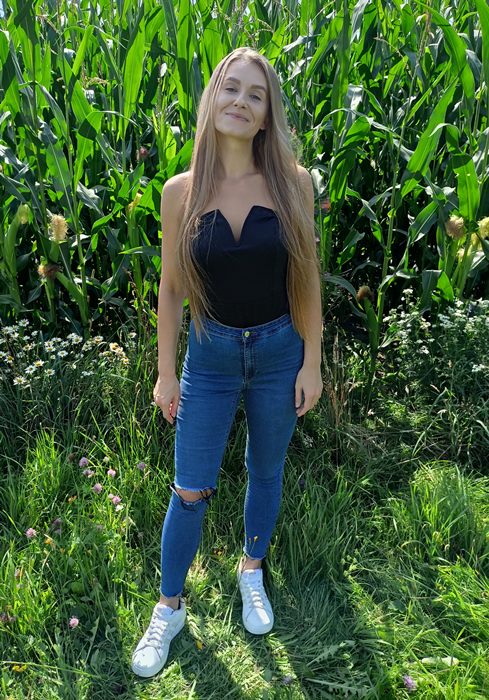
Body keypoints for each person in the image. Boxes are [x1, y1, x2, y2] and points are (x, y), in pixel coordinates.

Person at [132, 46, 323, 678]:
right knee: (189, 487)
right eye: (231, 88)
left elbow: (307, 280)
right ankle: (169, 606)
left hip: (279, 351)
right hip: (209, 358)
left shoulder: (294, 183)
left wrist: (312, 361)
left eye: (255, 94)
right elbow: (170, 290)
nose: (241, 101)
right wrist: (166, 372)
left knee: (266, 470)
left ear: (267, 115)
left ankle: (251, 570)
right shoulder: (180, 192)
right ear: (212, 98)